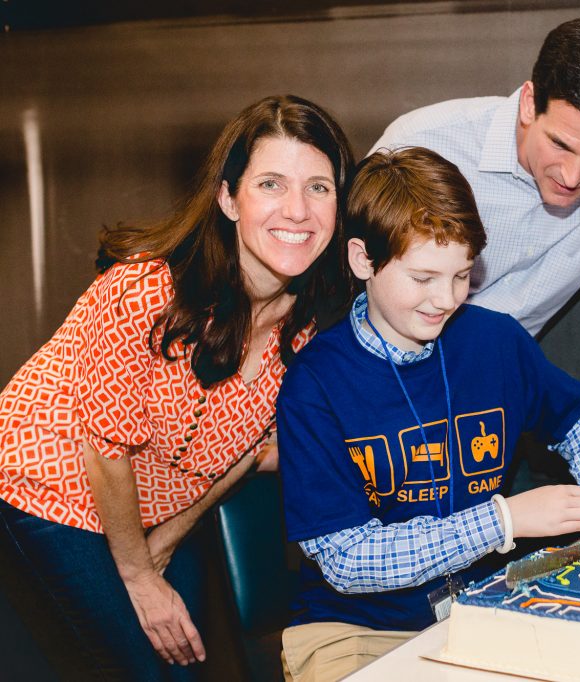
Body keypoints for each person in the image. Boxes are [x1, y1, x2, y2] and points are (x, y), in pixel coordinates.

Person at [0, 94, 354, 680]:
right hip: (49, 486)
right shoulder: (145, 291)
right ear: (228, 197)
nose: (297, 210)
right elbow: (106, 451)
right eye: (271, 184)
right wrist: (138, 574)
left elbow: (252, 451)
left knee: (188, 669)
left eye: (318, 187)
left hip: (151, 511)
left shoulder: (310, 328)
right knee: (145, 671)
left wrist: (168, 535)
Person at [277, 147, 580, 681]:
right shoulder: (315, 383)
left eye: (461, 275)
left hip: (488, 608)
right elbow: (348, 560)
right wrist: (505, 520)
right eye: (423, 277)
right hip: (357, 630)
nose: (445, 300)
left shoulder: (494, 340)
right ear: (363, 260)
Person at [372, 13, 580, 468]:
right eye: (560, 145)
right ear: (530, 103)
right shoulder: (423, 145)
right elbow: (353, 298)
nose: (573, 176)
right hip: (384, 408)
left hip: (501, 418)